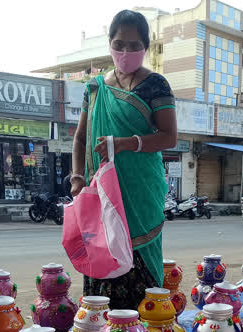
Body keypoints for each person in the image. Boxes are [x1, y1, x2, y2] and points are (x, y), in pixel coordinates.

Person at [71, 9, 177, 310]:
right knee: (101, 275)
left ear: (146, 46)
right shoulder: (95, 89)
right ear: (109, 44)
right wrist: (77, 179)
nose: (126, 52)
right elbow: (80, 139)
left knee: (140, 280)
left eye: (134, 45)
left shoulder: (156, 85)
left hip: (140, 192)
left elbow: (169, 137)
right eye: (119, 44)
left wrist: (125, 144)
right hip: (100, 195)